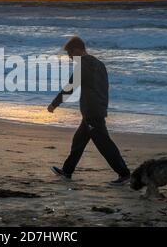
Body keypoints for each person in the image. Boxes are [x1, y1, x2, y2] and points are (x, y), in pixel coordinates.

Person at [48, 36, 130, 185]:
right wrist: (102, 107)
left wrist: (54, 104)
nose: (70, 57)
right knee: (78, 141)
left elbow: (70, 87)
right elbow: (105, 88)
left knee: (104, 144)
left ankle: (124, 174)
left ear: (78, 50)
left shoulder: (83, 65)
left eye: (70, 54)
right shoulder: (100, 64)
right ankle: (67, 171)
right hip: (96, 109)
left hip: (92, 112)